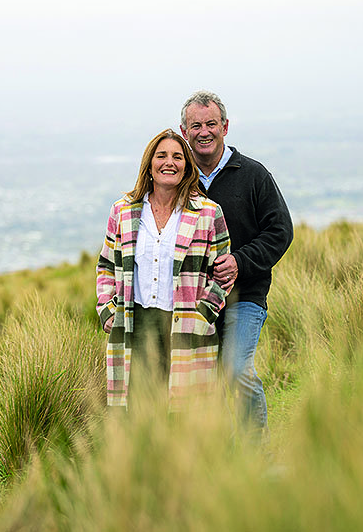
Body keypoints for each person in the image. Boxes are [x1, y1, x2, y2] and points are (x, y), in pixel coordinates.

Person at [180, 90, 293, 436]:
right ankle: (227, 465)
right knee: (205, 385)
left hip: (245, 296)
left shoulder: (254, 175)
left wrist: (240, 262)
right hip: (195, 301)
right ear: (184, 131)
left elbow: (280, 231)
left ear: (225, 126)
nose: (204, 132)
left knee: (234, 370)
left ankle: (257, 456)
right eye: (195, 125)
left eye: (211, 124)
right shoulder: (179, 180)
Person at [95, 128, 231, 411]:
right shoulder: (123, 211)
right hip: (135, 325)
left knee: (184, 414)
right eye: (162, 156)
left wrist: (205, 313)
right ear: (149, 164)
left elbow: (223, 274)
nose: (169, 162)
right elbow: (106, 265)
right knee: (137, 412)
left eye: (178, 157)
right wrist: (107, 311)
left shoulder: (208, 213)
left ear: (187, 166)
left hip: (186, 326)